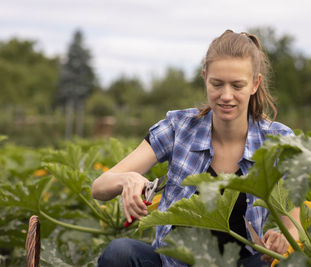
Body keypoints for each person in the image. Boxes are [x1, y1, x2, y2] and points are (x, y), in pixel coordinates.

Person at [92, 29, 300, 267]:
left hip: (241, 263)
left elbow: (294, 225)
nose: (226, 95)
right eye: (217, 84)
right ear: (205, 78)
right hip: (173, 263)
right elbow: (99, 187)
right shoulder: (178, 127)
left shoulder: (278, 139)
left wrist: (285, 238)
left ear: (255, 84)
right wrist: (126, 180)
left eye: (237, 85)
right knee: (120, 252)